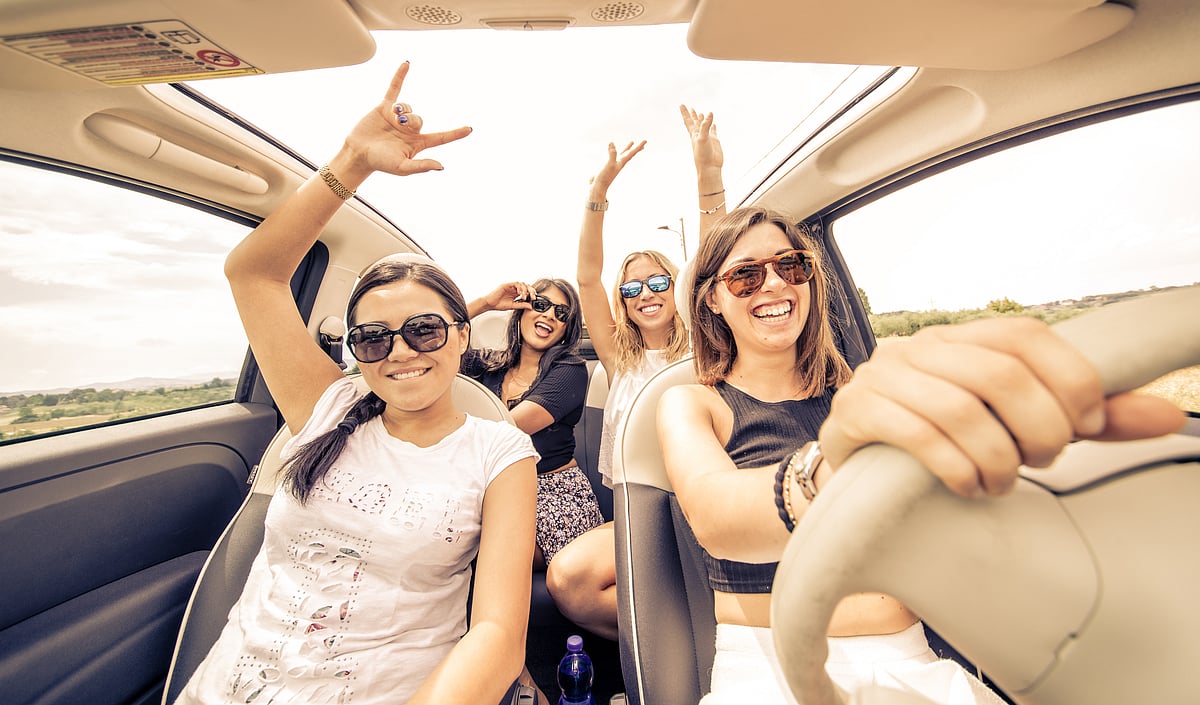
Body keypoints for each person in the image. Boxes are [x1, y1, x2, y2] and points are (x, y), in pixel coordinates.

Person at [657, 205, 1185, 704]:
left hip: (912, 658)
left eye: (790, 265)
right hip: (767, 665)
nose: (774, 284)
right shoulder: (692, 404)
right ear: (712, 299)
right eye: (745, 276)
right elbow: (717, 517)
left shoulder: (863, 391)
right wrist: (835, 470)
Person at [176, 62, 542, 705]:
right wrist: (352, 161)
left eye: (424, 330)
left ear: (463, 335)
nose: (400, 352)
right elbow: (254, 274)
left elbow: (497, 635)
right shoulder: (328, 407)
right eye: (373, 338)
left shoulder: (499, 452)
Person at [546, 104, 721, 639]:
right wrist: (598, 192)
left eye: (658, 282)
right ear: (622, 301)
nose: (646, 293)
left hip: (704, 501)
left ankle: (707, 631)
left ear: (678, 287)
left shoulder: (707, 346)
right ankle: (671, 637)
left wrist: (707, 173)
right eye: (632, 287)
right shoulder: (619, 357)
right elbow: (587, 276)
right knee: (569, 582)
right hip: (640, 506)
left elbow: (714, 253)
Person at [461, 278, 602, 569]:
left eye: (561, 313)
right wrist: (486, 303)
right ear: (521, 312)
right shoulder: (488, 364)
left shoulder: (570, 370)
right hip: (496, 491)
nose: (549, 315)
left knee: (476, 546)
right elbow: (434, 340)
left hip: (554, 496)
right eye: (541, 304)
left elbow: (509, 426)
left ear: (566, 329)